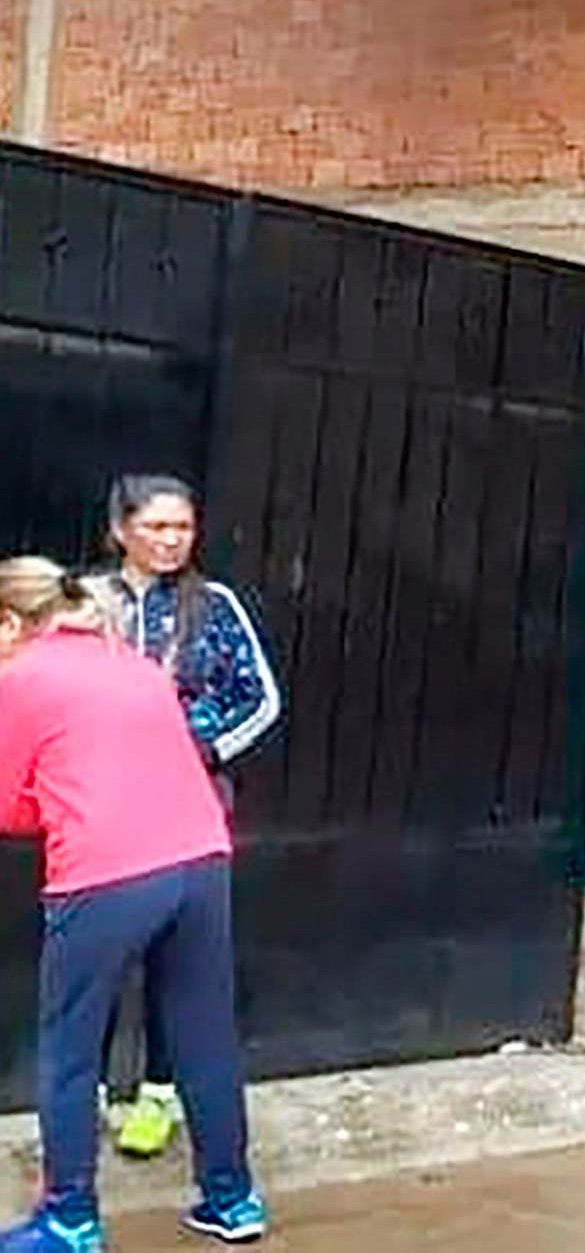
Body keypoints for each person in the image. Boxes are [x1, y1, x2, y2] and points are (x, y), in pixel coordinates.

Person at [0, 555, 270, 1248]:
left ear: (9, 621)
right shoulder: (134, 664)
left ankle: (70, 1217)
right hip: (201, 858)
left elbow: (6, 806)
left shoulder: (21, 677)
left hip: (105, 871)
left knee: (69, 1048)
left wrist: (49, 804)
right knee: (203, 1035)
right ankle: (233, 1201)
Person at [85, 476, 281, 1162]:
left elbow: (259, 698)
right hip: (99, 804)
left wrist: (202, 749)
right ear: (120, 530)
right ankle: (96, 1093)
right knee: (98, 950)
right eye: (156, 527)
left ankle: (159, 1094)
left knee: (176, 953)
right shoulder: (85, 604)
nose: (171, 540)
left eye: (183, 528)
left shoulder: (213, 606)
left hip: (188, 804)